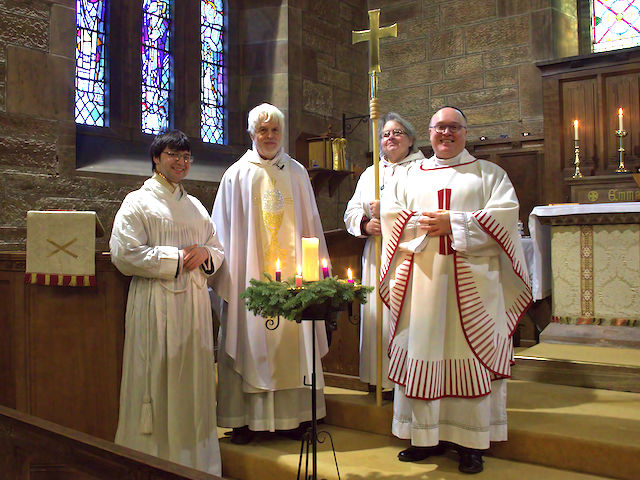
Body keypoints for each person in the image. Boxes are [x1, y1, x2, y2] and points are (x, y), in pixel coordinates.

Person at [380, 107, 531, 474]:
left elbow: (505, 217)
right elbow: (391, 215)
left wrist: (456, 223)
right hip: (423, 284)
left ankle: (471, 443)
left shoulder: (489, 174)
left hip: (475, 288)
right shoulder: (410, 174)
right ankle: (423, 436)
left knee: (471, 355)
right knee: (422, 349)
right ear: (429, 132)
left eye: (454, 127)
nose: (446, 134)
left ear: (465, 132)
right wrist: (426, 223)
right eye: (439, 127)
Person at [211, 103, 330, 444]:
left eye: (275, 130)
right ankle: (246, 421)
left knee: (295, 340)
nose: (269, 136)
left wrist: (316, 277)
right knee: (249, 339)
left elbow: (311, 226)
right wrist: (228, 278)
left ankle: (297, 418)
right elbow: (222, 232)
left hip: (296, 280)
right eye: (262, 130)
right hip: (249, 280)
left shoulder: (297, 173)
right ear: (251, 134)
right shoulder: (236, 175)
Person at [110, 130, 224, 475]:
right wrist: (175, 259)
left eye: (186, 156)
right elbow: (124, 253)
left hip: (193, 308)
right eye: (174, 155)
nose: (181, 162)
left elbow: (216, 249)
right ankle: (154, 464)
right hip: (155, 304)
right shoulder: (137, 202)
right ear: (157, 158)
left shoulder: (196, 206)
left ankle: (197, 463)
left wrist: (205, 253)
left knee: (193, 384)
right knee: (156, 380)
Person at [344, 112, 424, 394]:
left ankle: (409, 381)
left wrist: (389, 217)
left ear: (411, 139)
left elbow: (425, 212)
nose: (391, 138)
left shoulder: (423, 170)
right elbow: (352, 211)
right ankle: (380, 382)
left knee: (406, 316)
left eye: (397, 132)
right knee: (378, 315)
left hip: (410, 254)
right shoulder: (371, 173)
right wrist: (366, 225)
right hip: (377, 255)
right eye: (385, 134)